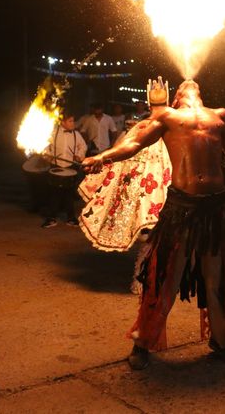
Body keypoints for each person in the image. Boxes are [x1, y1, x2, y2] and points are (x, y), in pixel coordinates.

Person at [82, 79, 225, 370]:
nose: (188, 83)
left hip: (217, 207)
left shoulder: (221, 115)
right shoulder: (167, 116)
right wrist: (102, 157)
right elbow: (134, 143)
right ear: (176, 98)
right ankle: (143, 343)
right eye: (181, 88)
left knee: (216, 278)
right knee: (165, 276)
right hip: (181, 207)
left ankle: (221, 341)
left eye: (192, 84)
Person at [78, 82, 172, 293]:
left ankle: (155, 279)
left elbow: (120, 150)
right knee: (154, 236)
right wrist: (100, 160)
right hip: (147, 191)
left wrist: (100, 159)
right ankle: (145, 280)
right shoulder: (145, 128)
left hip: (162, 189)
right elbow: (121, 151)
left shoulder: (167, 128)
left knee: (160, 236)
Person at [41, 115, 87, 228]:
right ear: (63, 122)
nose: (73, 123)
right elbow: (45, 146)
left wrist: (79, 155)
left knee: (69, 193)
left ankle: (71, 218)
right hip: (56, 166)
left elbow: (83, 146)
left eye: (73, 121)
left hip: (71, 166)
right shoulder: (53, 133)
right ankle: (51, 218)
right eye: (70, 121)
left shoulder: (76, 134)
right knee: (54, 193)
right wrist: (48, 155)